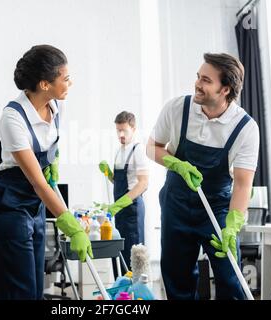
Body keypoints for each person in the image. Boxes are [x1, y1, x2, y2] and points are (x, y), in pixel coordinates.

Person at [0, 45, 93, 300]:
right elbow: (37, 182)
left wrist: (52, 162)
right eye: (65, 78)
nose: (70, 82)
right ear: (45, 84)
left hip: (34, 204)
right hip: (8, 203)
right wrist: (72, 226)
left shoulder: (56, 107)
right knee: (18, 290)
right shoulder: (13, 117)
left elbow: (48, 148)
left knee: (34, 288)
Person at [147, 53, 260, 300]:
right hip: (176, 203)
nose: (197, 83)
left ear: (225, 89)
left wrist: (232, 225)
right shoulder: (178, 108)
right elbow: (151, 146)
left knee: (230, 276)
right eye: (198, 76)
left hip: (217, 207)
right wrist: (176, 164)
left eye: (206, 80)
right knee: (177, 278)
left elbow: (242, 184)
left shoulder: (245, 128)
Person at [98, 111, 149, 274]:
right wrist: (109, 174)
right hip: (120, 210)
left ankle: (136, 295)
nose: (120, 134)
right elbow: (121, 181)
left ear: (133, 129)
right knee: (119, 252)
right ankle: (122, 293)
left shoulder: (138, 149)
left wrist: (119, 204)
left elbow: (143, 183)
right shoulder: (120, 151)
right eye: (118, 130)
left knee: (134, 256)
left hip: (132, 210)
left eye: (124, 130)